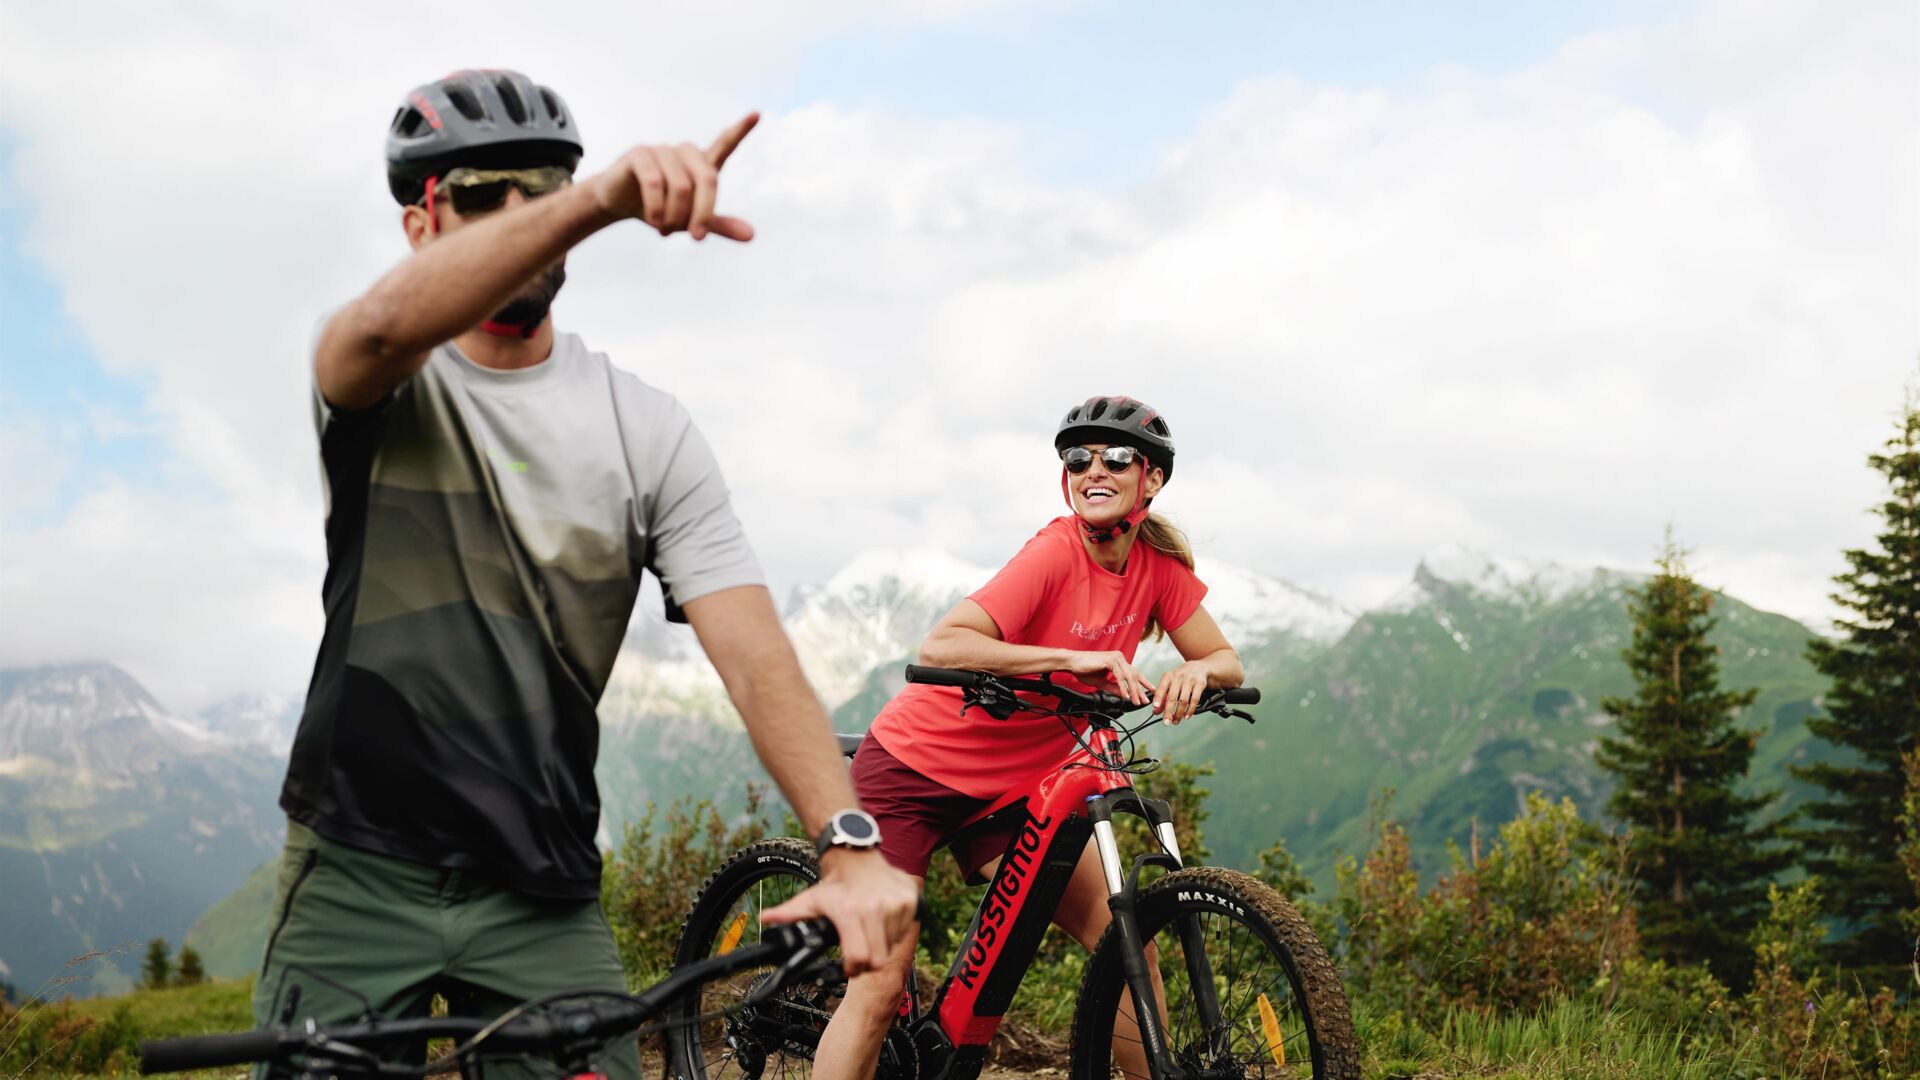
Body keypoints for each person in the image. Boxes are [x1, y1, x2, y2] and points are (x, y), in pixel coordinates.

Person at [259, 69, 917, 1079]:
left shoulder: (647, 430)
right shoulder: (381, 380)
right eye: (483, 195)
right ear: (418, 224)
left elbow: (754, 654)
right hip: (353, 870)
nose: (524, 218)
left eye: (545, 190)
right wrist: (596, 198)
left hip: (541, 887)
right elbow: (381, 329)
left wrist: (849, 844)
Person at [805, 395, 1245, 1079]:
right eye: (1078, 458)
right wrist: (1070, 661)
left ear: (1151, 480)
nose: (1093, 469)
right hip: (912, 771)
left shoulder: (1157, 570)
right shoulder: (1053, 553)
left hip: (1016, 788)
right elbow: (944, 644)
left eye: (1116, 457)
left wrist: (1196, 671)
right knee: (879, 985)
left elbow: (1226, 662)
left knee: (1126, 940)